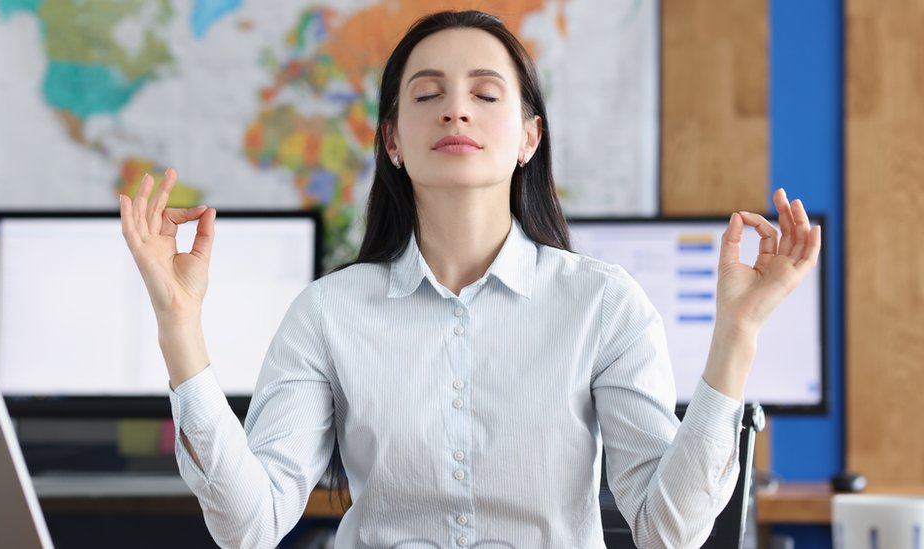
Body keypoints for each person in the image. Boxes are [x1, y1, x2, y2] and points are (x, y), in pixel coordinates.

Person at [119, 10, 820, 549]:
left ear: (529, 137)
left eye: (485, 94)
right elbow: (250, 526)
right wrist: (180, 325)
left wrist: (738, 332)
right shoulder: (328, 313)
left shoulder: (603, 305)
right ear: (393, 140)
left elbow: (669, 530)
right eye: (427, 94)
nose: (455, 109)